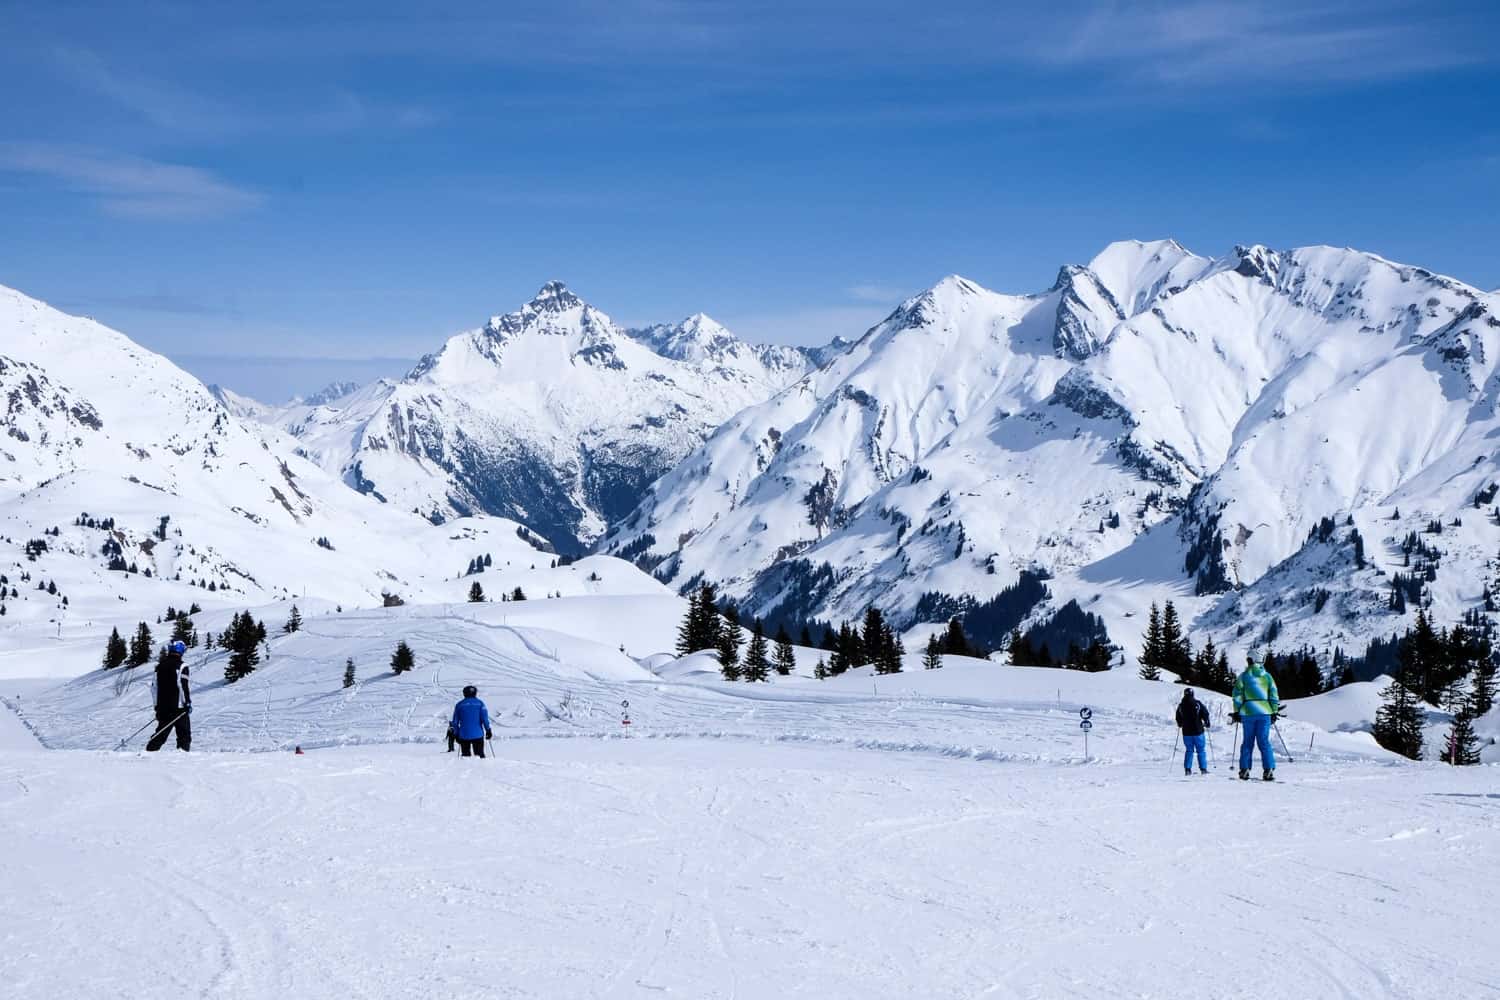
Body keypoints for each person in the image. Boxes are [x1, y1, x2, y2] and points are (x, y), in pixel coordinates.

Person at [1232, 655, 1280, 781]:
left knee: (1247, 742)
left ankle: (1244, 769)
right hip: (1265, 712)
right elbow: (1273, 693)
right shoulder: (1267, 676)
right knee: (1263, 741)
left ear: (1251, 660)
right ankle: (1268, 769)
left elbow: (1237, 695)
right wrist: (1274, 711)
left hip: (1248, 712)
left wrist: (1237, 711)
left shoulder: (1243, 676)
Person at [146, 640, 191, 752]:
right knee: (184, 735)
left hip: (163, 707)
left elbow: (154, 688)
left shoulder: (160, 666)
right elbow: (182, 685)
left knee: (161, 733)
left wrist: (157, 706)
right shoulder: (182, 666)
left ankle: (149, 752)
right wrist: (187, 703)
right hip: (179, 708)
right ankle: (182, 757)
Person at [1176, 688, 1211, 775]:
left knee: (1189, 750)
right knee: (1201, 750)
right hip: (1198, 731)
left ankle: (1187, 769)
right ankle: (1203, 769)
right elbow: (1205, 713)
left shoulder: (1181, 705)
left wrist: (1180, 724)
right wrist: (1207, 722)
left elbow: (1178, 717)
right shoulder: (1197, 703)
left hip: (1186, 732)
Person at [450, 685, 491, 758]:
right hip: (478, 734)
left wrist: (456, 734)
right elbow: (484, 719)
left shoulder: (459, 705)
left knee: (466, 758)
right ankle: (481, 768)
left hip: (464, 734)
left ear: (464, 693)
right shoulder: (480, 703)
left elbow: (455, 722)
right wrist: (488, 730)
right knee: (480, 757)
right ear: (475, 693)